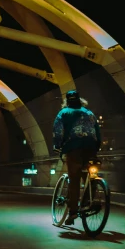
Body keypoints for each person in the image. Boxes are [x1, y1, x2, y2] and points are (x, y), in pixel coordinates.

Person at [52, 89, 101, 225]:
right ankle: (88, 202)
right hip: (91, 147)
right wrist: (96, 146)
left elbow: (58, 130)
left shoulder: (63, 113)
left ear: (67, 101)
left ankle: (73, 212)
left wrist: (57, 145)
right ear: (80, 100)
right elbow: (97, 131)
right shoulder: (89, 113)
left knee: (74, 179)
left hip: (73, 147)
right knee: (90, 178)